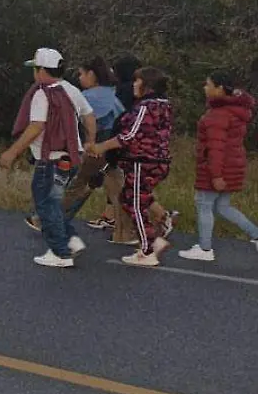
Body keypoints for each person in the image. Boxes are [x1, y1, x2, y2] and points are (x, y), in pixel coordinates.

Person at [0, 48, 97, 268]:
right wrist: (90, 141)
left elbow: (36, 127)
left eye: (35, 68)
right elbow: (89, 117)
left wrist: (12, 152)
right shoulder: (71, 90)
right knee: (55, 203)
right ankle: (70, 239)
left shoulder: (42, 94)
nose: (34, 73)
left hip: (50, 160)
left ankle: (60, 252)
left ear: (42, 70)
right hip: (72, 157)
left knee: (45, 205)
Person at [89, 67, 175, 267]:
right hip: (157, 160)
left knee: (135, 204)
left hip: (142, 162)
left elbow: (129, 136)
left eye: (138, 81)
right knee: (129, 198)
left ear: (148, 85)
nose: (134, 85)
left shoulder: (145, 106)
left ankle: (147, 250)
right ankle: (154, 240)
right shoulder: (164, 105)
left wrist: (101, 146)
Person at [178, 71, 258, 261]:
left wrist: (215, 175)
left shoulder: (218, 115)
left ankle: (205, 249)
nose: (205, 88)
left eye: (208, 84)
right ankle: (256, 234)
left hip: (217, 167)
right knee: (223, 206)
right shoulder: (237, 112)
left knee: (204, 204)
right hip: (233, 164)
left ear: (220, 88)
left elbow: (215, 147)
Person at [65, 58, 126, 231]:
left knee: (79, 183)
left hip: (99, 146)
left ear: (92, 74)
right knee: (117, 188)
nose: (80, 78)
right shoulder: (112, 94)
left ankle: (53, 219)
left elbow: (81, 120)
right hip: (115, 148)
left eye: (81, 74)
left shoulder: (90, 97)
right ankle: (129, 229)